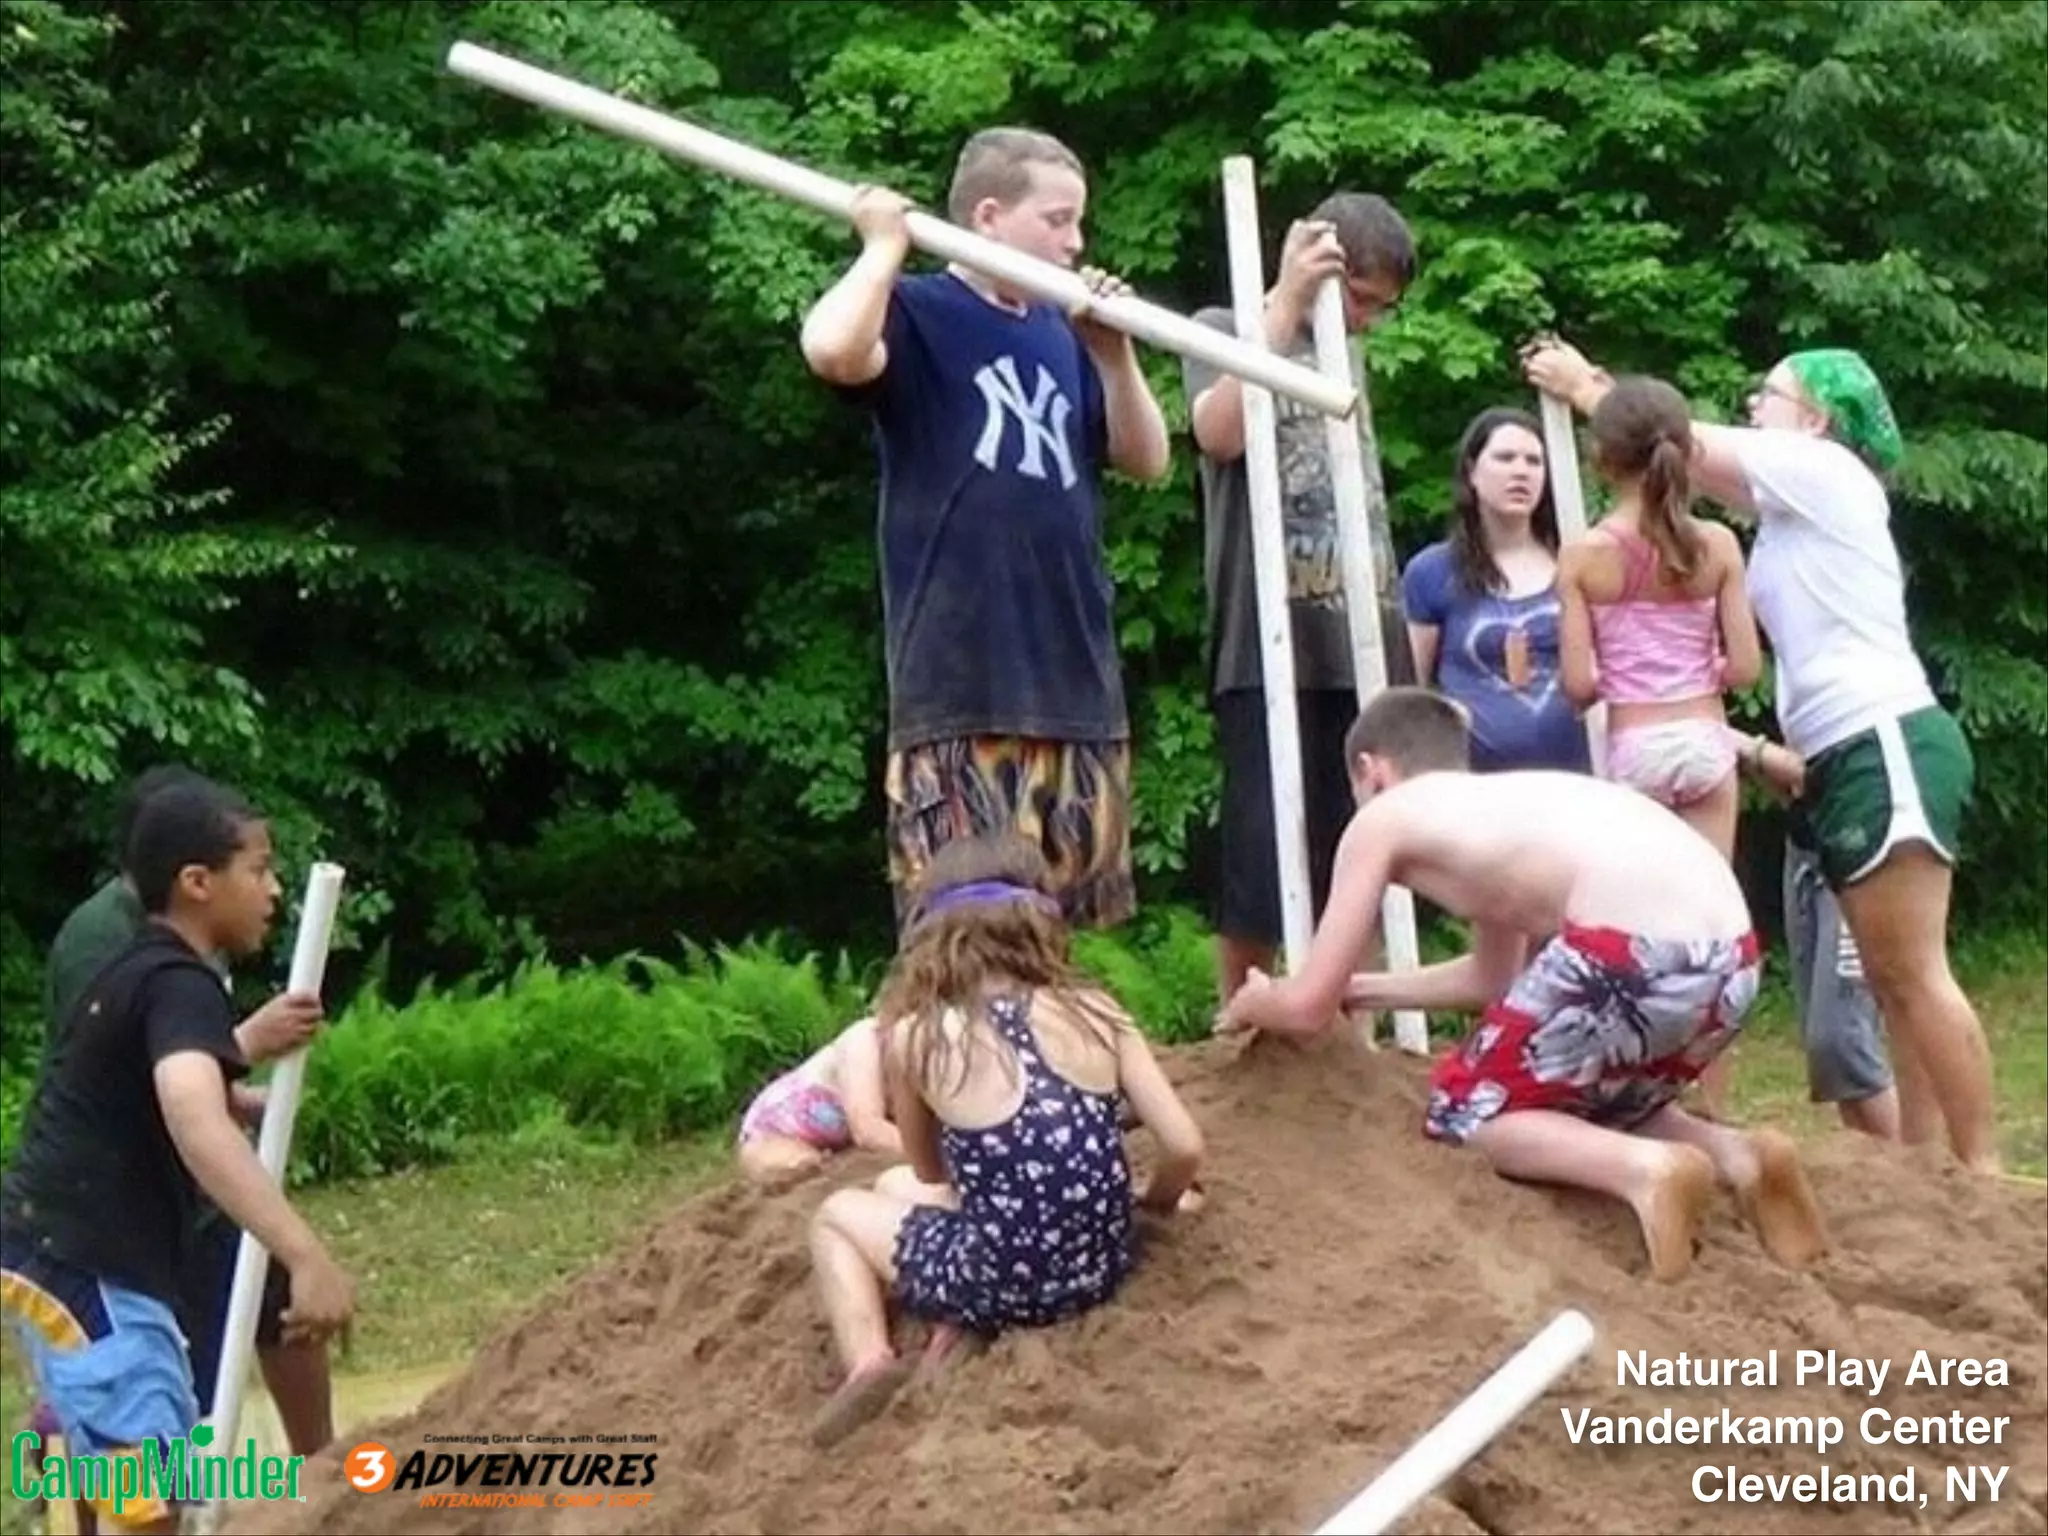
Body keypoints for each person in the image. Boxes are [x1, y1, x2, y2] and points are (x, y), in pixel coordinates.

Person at [1523, 338, 1995, 1174]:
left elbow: (1672, 438)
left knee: (1915, 973)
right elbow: (1684, 470)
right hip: (1845, 748)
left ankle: (1980, 1171)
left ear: (1813, 420)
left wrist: (1589, 385)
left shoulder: (1830, 473)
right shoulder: (1789, 510)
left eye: (1766, 394)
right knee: (1892, 980)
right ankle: (1931, 1169)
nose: (1751, 405)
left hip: (1881, 736)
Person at [1218, 688, 1827, 1284]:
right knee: (1573, 1097)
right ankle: (1737, 1155)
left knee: (1464, 1109)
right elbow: (1495, 979)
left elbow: (1303, 1007)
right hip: (1731, 963)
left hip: (1632, 951)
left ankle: (1646, 1169)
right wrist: (1361, 990)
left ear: (1370, 770)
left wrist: (1260, 999)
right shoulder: (1501, 808)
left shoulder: (1383, 818)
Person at [799, 127, 1172, 937]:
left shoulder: (1061, 333)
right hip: (964, 679)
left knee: (1062, 925)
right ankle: (961, 1065)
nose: (1077, 243)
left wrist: (1114, 357)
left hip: (1073, 674)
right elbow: (831, 349)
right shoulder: (919, 310)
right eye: (1059, 220)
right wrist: (882, 245)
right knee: (961, 931)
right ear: (991, 216)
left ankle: (1047, 1062)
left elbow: (1147, 461)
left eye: (1080, 224)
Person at [2, 777, 356, 1536]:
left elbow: (153, 1094)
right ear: (198, 882)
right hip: (81, 1275)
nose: (273, 889)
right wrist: (305, 1253)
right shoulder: (174, 980)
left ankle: (63, 1434)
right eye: (258, 869)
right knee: (144, 1510)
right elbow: (193, 1122)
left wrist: (238, 1101)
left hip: (76, 1263)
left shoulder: (150, 972)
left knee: (151, 1489)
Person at [805, 835, 1204, 1449]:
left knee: (839, 1213)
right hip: (1104, 1264)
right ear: (1039, 921)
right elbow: (1183, 1146)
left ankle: (871, 1359)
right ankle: (956, 1316)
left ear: (932, 939)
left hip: (1007, 1278)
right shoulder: (1098, 1011)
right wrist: (1154, 1201)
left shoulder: (919, 1038)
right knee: (894, 1189)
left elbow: (931, 1170)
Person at [1183, 193, 1418, 1002]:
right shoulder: (1226, 326)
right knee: (1257, 843)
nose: (1367, 323)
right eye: (1360, 299)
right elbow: (1217, 433)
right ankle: (1242, 1016)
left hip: (1360, 634)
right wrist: (1284, 303)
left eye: (1382, 309)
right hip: (1265, 634)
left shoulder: (1350, 357)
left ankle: (1346, 1023)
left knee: (1362, 843)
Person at [1557, 375, 1763, 860]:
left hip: (1634, 744)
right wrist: (1700, 673)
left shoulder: (1583, 556)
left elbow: (1578, 686)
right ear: (1689, 453)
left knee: (1642, 906)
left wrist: (1623, 679)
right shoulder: (1717, 544)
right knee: (1711, 903)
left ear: (1601, 460)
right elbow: (1746, 667)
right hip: (1704, 740)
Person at [1401, 409, 1593, 775]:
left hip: (1576, 781)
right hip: (1473, 787)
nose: (1521, 471)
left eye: (1534, 461)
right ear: (1472, 471)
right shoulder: (1432, 572)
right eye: (1505, 458)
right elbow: (1414, 690)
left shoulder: (1577, 562)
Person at [735, 1015, 901, 1183]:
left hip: (831, 1141)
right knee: (805, 1172)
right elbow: (869, 1129)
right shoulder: (865, 1038)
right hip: (771, 1135)